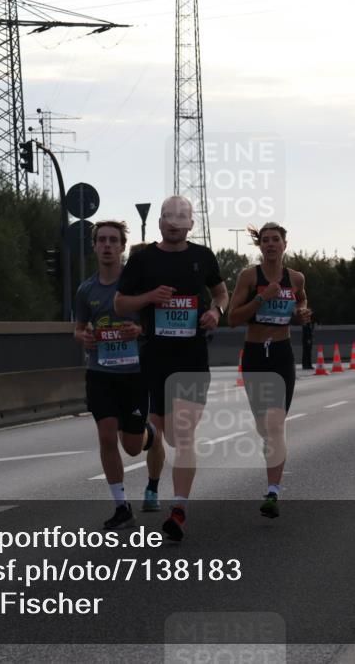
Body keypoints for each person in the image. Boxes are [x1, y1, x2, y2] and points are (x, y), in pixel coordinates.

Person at [115, 196, 228, 542]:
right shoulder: (143, 259)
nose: (175, 222)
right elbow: (120, 303)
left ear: (192, 224)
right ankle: (145, 433)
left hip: (192, 359)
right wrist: (149, 298)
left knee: (185, 436)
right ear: (161, 223)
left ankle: (178, 511)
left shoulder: (203, 257)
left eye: (182, 217)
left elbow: (221, 293)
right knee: (165, 435)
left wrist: (216, 312)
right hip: (155, 359)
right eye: (168, 217)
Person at [73, 221, 163, 529]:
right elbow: (79, 328)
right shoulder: (86, 289)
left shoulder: (137, 286)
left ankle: (150, 431)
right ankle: (121, 505)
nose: (108, 245)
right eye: (102, 240)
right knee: (106, 433)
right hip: (100, 373)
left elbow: (156, 325)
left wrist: (139, 330)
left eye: (114, 240)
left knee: (133, 446)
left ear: (123, 247)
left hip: (134, 373)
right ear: (95, 246)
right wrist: (84, 337)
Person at [228, 222, 311, 519]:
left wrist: (302, 314)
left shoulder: (297, 278)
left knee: (276, 424)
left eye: (276, 239)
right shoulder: (250, 276)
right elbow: (233, 318)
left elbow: (301, 303)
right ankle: (271, 474)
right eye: (265, 240)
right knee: (264, 427)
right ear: (260, 246)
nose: (271, 244)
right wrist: (263, 297)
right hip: (254, 356)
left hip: (280, 354)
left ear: (285, 245)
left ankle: (273, 492)